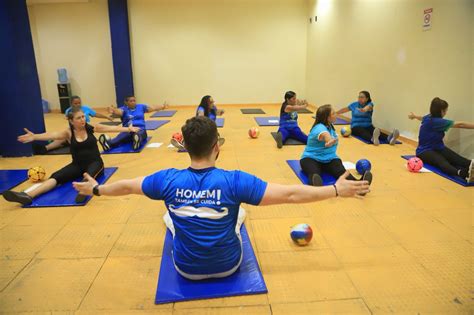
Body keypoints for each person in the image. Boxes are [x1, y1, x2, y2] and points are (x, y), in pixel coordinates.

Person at [73, 116, 369, 280]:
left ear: (184, 146)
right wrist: (334, 190)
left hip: (185, 269)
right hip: (229, 265)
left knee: (169, 217)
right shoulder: (234, 180)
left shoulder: (167, 179)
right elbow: (291, 194)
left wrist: (96, 190)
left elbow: (126, 186)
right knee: (238, 215)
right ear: (217, 146)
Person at [2, 108, 140, 206]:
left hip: (95, 163)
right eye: (79, 118)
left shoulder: (91, 128)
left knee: (88, 175)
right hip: (76, 165)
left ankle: (85, 190)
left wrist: (128, 129)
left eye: (83, 117)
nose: (82, 119)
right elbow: (52, 135)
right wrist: (34, 137)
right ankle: (27, 196)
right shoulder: (68, 133)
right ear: (71, 121)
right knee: (56, 177)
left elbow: (110, 129)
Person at [300, 104, 373, 188]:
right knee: (314, 172)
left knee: (342, 172)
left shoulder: (330, 126)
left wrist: (331, 141)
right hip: (311, 158)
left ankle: (360, 185)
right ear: (327, 117)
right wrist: (330, 141)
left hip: (329, 159)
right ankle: (315, 183)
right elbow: (325, 135)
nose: (336, 115)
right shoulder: (319, 128)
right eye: (333, 113)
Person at [408, 97, 474, 183]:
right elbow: (461, 124)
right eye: (446, 110)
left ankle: (470, 165)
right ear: (441, 111)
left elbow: (422, 118)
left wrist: (414, 116)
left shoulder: (429, 117)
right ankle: (461, 173)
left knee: (458, 159)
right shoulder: (438, 122)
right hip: (424, 151)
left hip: (438, 147)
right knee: (442, 162)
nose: (446, 112)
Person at [33, 95, 113, 154]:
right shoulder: (69, 111)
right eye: (75, 103)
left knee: (62, 140)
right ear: (71, 104)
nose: (77, 105)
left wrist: (107, 117)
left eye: (79, 103)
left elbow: (96, 114)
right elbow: (71, 125)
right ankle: (45, 148)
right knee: (62, 139)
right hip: (75, 132)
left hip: (86, 133)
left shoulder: (85, 108)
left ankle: (48, 147)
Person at [99, 95, 168, 151]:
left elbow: (152, 107)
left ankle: (137, 140)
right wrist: (113, 110)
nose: (133, 102)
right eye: (131, 101)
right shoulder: (124, 109)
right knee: (118, 139)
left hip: (140, 129)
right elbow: (118, 111)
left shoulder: (141, 107)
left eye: (134, 101)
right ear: (126, 102)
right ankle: (108, 143)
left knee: (139, 134)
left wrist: (162, 106)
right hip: (128, 130)